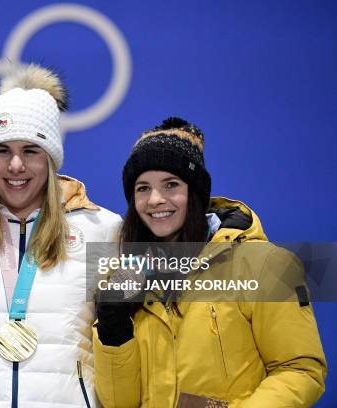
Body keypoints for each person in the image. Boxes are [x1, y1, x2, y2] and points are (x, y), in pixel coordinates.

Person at [93, 117, 327, 407]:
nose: (154, 199)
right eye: (142, 188)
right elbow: (120, 402)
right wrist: (113, 326)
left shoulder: (263, 264)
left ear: (196, 193)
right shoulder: (126, 276)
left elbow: (299, 371)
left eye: (170, 185)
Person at [0, 64, 122, 407]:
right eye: (2, 151)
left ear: (51, 160)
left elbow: (176, 297)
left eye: (31, 151)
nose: (16, 166)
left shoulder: (103, 231)